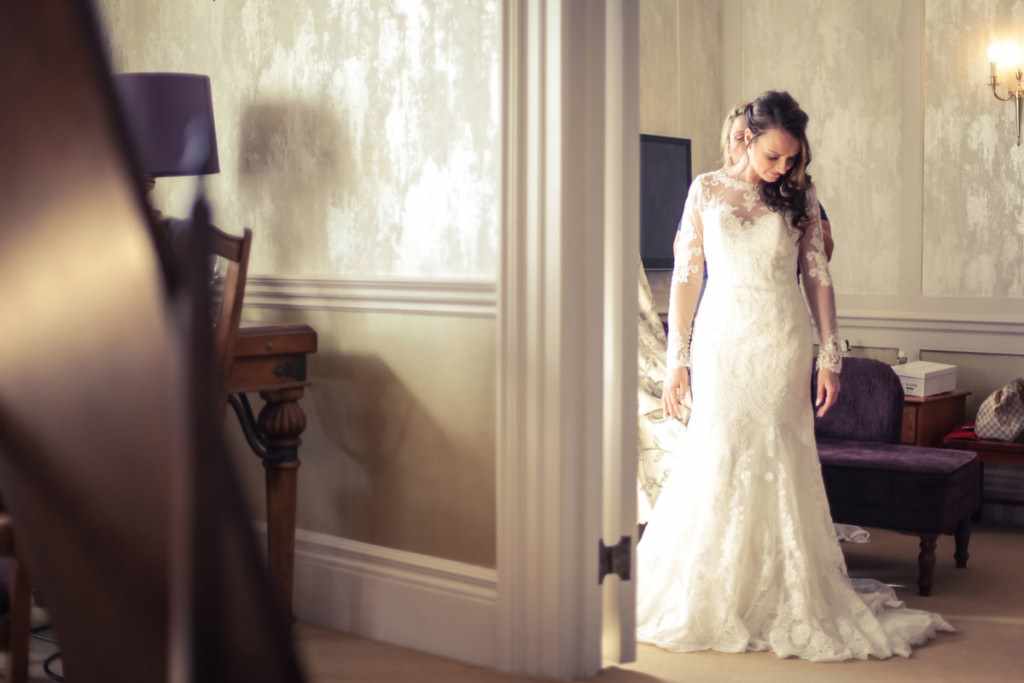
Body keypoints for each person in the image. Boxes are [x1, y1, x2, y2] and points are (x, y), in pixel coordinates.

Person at [636, 91, 953, 661]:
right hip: (723, 339)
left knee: (782, 454)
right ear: (747, 141)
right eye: (772, 157)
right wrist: (677, 359)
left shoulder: (800, 196)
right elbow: (686, 276)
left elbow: (818, 277)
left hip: (782, 338)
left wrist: (830, 353)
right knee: (719, 451)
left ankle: (785, 587)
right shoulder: (706, 190)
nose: (782, 168)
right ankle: (717, 588)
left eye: (791, 158)